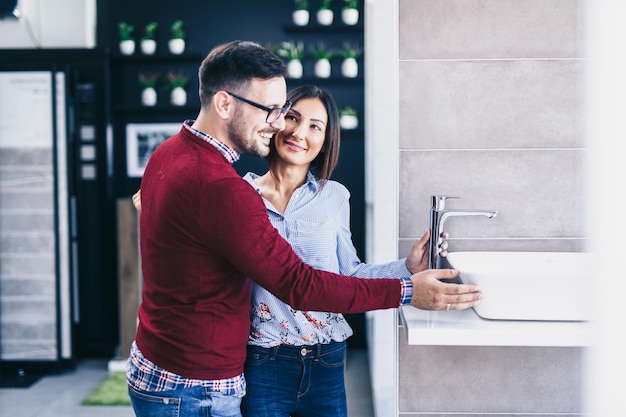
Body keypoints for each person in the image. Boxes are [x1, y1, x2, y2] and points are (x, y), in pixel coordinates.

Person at [126, 40, 480, 417]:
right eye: (275, 112)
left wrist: (405, 271)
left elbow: (346, 273)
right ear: (224, 104)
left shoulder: (169, 153)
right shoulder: (229, 190)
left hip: (174, 362)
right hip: (205, 380)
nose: (281, 124)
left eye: (308, 122)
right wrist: (406, 292)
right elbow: (299, 284)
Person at [239, 85, 443, 417]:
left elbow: (349, 273)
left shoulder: (333, 196)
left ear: (324, 142)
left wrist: (407, 267)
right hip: (264, 362)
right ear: (275, 122)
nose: (299, 132)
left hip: (327, 360)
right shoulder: (240, 195)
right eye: (292, 118)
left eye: (315, 126)